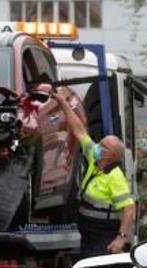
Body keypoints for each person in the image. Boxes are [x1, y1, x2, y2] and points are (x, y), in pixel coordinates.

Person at [52, 89, 135, 258]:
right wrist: (62, 102)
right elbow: (79, 130)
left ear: (109, 155)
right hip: (85, 227)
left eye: (102, 146)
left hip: (103, 233)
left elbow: (129, 208)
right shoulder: (94, 157)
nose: (96, 146)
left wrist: (121, 239)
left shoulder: (115, 177)